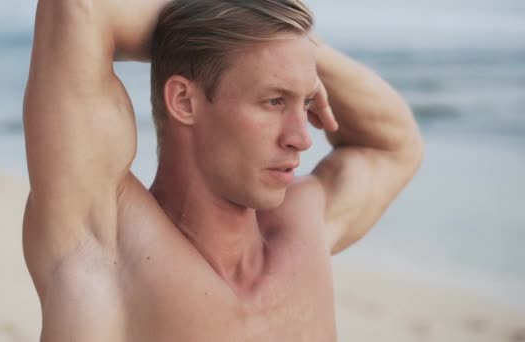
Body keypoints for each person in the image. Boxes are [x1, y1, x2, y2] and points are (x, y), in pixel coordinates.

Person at [22, 0, 424, 340]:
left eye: (306, 103)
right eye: (274, 102)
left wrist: (302, 50)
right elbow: (82, 8)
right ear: (184, 100)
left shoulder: (304, 226)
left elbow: (394, 143)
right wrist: (215, 25)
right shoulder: (104, 242)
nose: (302, 138)